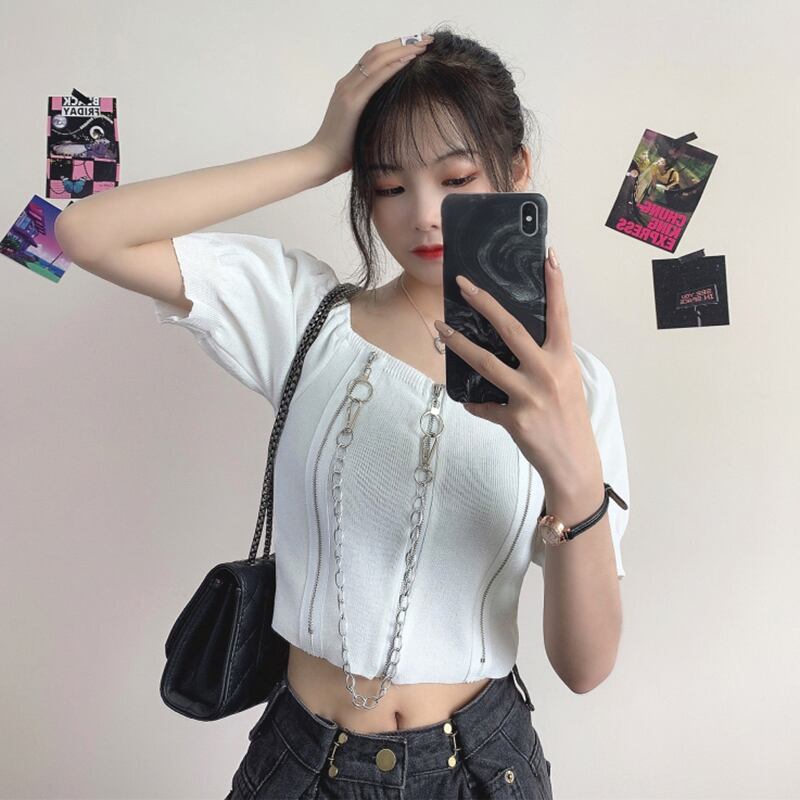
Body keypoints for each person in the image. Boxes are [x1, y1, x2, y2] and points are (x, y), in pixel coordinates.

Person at [54, 26, 630, 800]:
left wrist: (574, 473)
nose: (424, 215)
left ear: (516, 170)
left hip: (481, 768)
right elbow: (84, 231)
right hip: (303, 763)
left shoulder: (575, 387)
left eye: (457, 178)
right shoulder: (306, 316)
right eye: (388, 186)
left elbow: (586, 667)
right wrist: (319, 153)